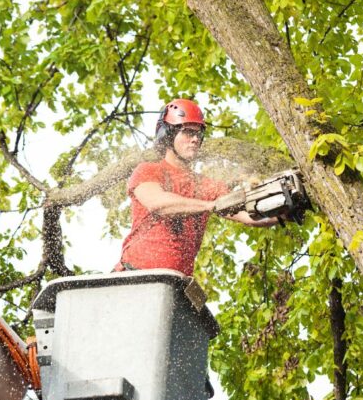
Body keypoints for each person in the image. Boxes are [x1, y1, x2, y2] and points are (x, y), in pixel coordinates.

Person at [115, 99, 278, 276]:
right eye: (187, 132)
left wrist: (282, 212)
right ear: (168, 135)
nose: (194, 139)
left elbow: (250, 216)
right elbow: (158, 203)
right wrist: (209, 205)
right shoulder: (149, 170)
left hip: (175, 283)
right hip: (133, 277)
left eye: (198, 134)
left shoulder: (207, 186)